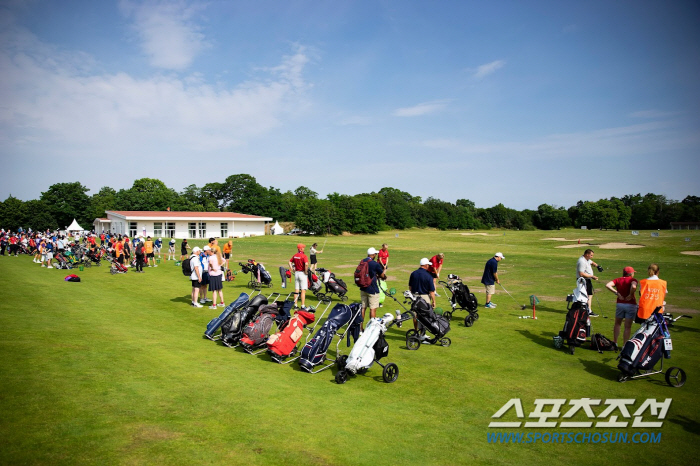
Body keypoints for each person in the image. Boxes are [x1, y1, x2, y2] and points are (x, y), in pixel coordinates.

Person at [606, 266, 638, 346]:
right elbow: (634, 286)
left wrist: (617, 293)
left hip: (620, 304)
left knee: (617, 323)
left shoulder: (618, 279)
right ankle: (624, 344)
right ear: (631, 274)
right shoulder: (632, 280)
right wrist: (630, 294)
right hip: (630, 304)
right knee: (627, 327)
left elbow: (608, 285)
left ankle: (615, 341)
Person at [358, 247, 387, 330]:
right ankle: (371, 329)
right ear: (373, 255)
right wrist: (384, 276)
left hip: (363, 287)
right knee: (373, 309)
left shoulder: (362, 261)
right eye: (375, 254)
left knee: (363, 308)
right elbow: (382, 275)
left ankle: (360, 328)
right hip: (372, 289)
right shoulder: (374, 263)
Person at [409, 258, 437, 339]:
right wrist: (434, 301)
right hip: (424, 297)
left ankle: (416, 331)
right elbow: (432, 291)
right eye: (428, 265)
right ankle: (422, 334)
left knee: (415, 315)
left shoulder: (413, 273)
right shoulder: (428, 275)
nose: (428, 266)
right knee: (425, 316)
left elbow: (410, 287)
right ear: (425, 265)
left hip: (414, 296)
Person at [576, 249, 601, 314]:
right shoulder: (582, 261)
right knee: (586, 295)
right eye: (591, 255)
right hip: (583, 280)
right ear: (587, 254)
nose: (592, 256)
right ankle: (587, 310)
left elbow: (591, 262)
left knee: (589, 295)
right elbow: (581, 273)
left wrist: (597, 266)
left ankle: (587, 310)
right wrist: (592, 276)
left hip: (587, 280)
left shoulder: (586, 259)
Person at [289, 244, 310, 308]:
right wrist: (306, 271)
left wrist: (292, 268)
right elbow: (306, 264)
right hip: (302, 273)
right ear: (301, 249)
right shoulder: (304, 256)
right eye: (303, 247)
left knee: (296, 290)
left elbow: (289, 262)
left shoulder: (295, 255)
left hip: (297, 273)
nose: (304, 248)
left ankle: (295, 305)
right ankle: (302, 305)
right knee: (303, 290)